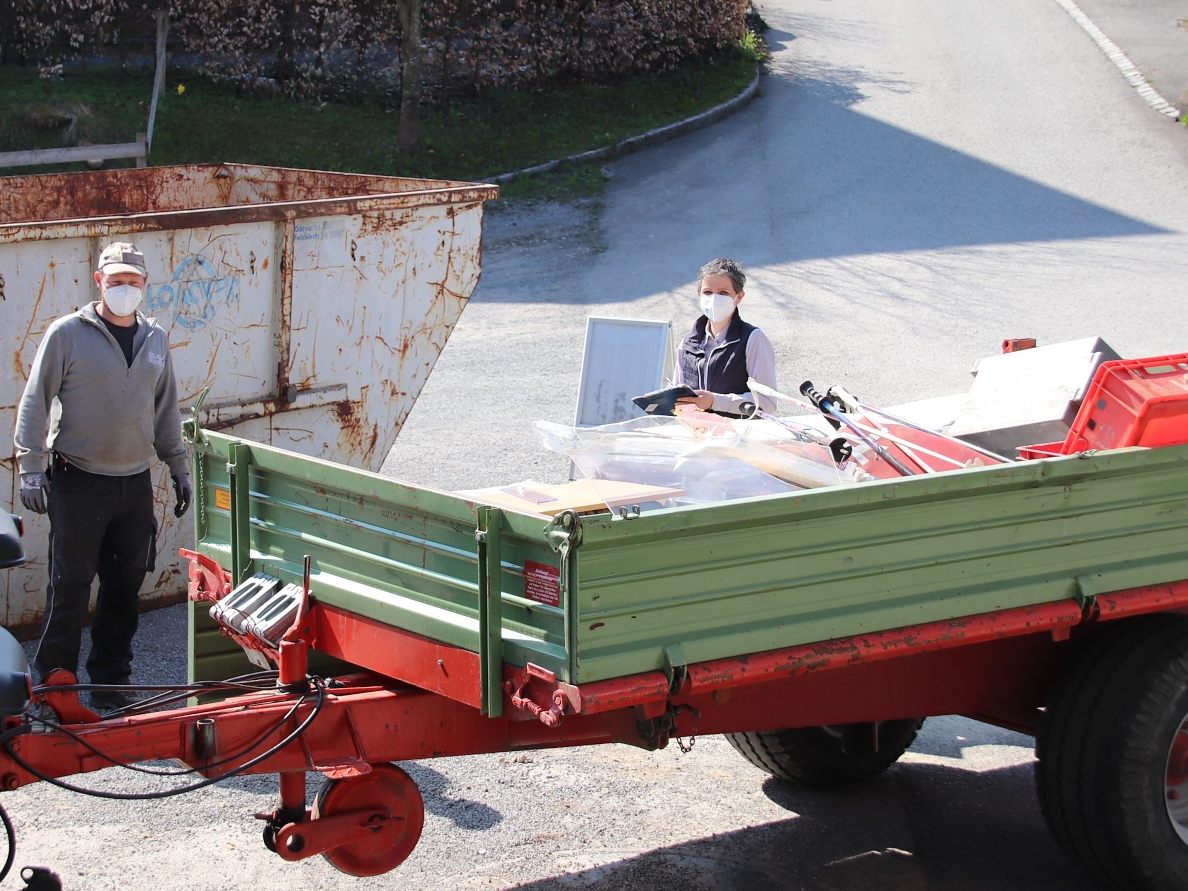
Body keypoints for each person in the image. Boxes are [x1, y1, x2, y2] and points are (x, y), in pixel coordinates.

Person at [14, 241, 192, 713]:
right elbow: (35, 401)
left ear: (145, 285)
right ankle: (55, 685)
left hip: (132, 483)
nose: (124, 290)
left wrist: (179, 467)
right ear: (99, 281)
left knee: (124, 585)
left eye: (132, 283)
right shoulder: (67, 334)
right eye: (115, 282)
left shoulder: (155, 339)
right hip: (78, 480)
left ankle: (112, 682)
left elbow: (165, 410)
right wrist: (30, 467)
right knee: (70, 583)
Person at [674, 257, 778, 416]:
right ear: (699, 296)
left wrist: (715, 401)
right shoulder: (687, 343)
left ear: (739, 297)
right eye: (707, 292)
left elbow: (767, 402)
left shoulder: (753, 339)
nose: (714, 299)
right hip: (697, 434)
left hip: (739, 436)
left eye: (723, 292)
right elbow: (678, 396)